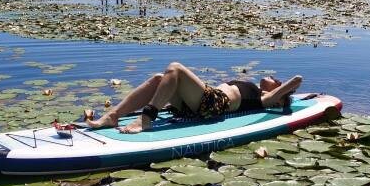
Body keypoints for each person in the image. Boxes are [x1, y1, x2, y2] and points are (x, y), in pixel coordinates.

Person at [85, 62, 303, 134]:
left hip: (214, 105)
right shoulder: (255, 89)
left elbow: (298, 79)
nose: (270, 77)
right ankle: (113, 116)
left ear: (280, 90)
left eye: (275, 79)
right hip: (200, 103)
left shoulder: (263, 99)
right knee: (158, 78)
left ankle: (146, 118)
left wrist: (283, 90)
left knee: (175, 68)